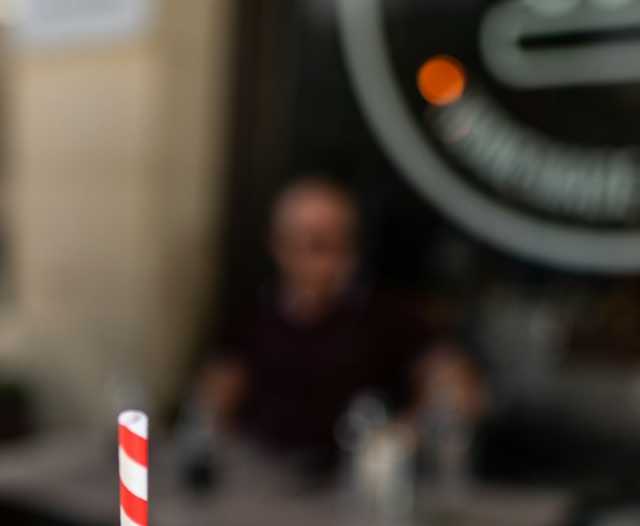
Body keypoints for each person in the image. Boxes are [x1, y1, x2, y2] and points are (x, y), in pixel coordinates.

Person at [197, 176, 485, 461]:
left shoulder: (384, 314)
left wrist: (401, 438)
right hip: (267, 478)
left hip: (356, 481)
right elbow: (215, 394)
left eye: (330, 243)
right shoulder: (256, 314)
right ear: (278, 246)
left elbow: (454, 384)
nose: (318, 261)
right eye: (304, 244)